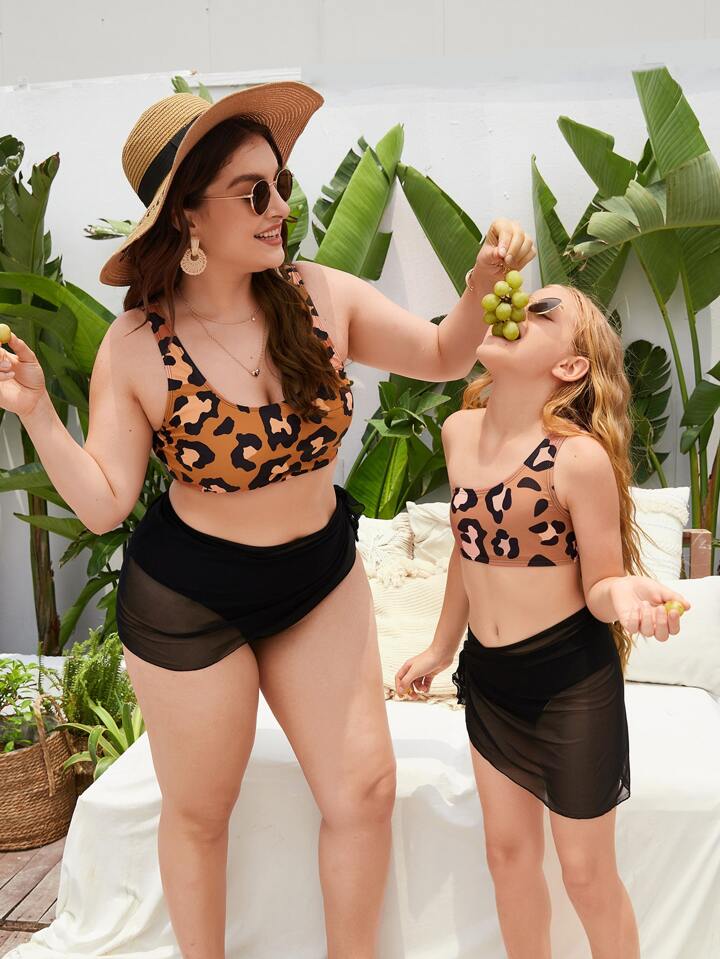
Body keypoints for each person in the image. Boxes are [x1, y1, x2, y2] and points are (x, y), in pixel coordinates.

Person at [0, 79, 536, 959]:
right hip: (191, 600)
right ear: (188, 218)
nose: (281, 206)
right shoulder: (138, 346)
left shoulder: (320, 295)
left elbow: (445, 353)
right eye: (254, 193)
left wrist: (481, 285)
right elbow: (103, 503)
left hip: (315, 577)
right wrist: (36, 414)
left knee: (364, 789)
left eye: (280, 184)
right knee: (201, 813)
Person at [394, 282, 691, 959]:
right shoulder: (459, 431)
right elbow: (469, 547)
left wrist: (630, 598)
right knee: (507, 856)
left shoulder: (576, 457)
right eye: (521, 301)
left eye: (541, 312)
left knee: (586, 874)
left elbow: (601, 585)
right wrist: (441, 647)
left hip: (569, 684)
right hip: (490, 680)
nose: (516, 310)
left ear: (570, 365)